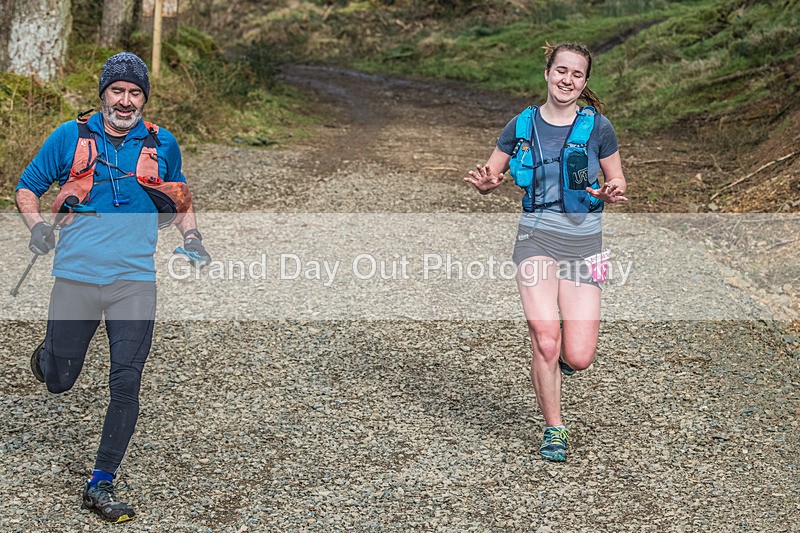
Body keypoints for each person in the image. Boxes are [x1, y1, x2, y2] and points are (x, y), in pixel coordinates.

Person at [15, 52, 210, 522]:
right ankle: (48, 358)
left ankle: (101, 482)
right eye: (117, 91)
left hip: (135, 282)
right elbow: (26, 187)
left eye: (135, 93)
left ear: (144, 98)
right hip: (76, 279)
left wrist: (193, 237)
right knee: (61, 380)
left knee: (126, 382)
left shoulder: (162, 143)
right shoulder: (69, 137)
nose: (126, 101)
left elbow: (180, 197)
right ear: (103, 93)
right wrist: (38, 226)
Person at [465, 42, 627, 462]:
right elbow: (492, 171)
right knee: (545, 339)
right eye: (561, 71)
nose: (567, 80)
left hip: (585, 243)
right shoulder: (521, 125)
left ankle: (561, 357)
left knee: (579, 355)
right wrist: (486, 184)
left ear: (585, 82)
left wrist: (611, 191)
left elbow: (618, 180)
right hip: (535, 238)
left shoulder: (599, 128)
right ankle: (554, 428)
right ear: (547, 73)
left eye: (576, 74)